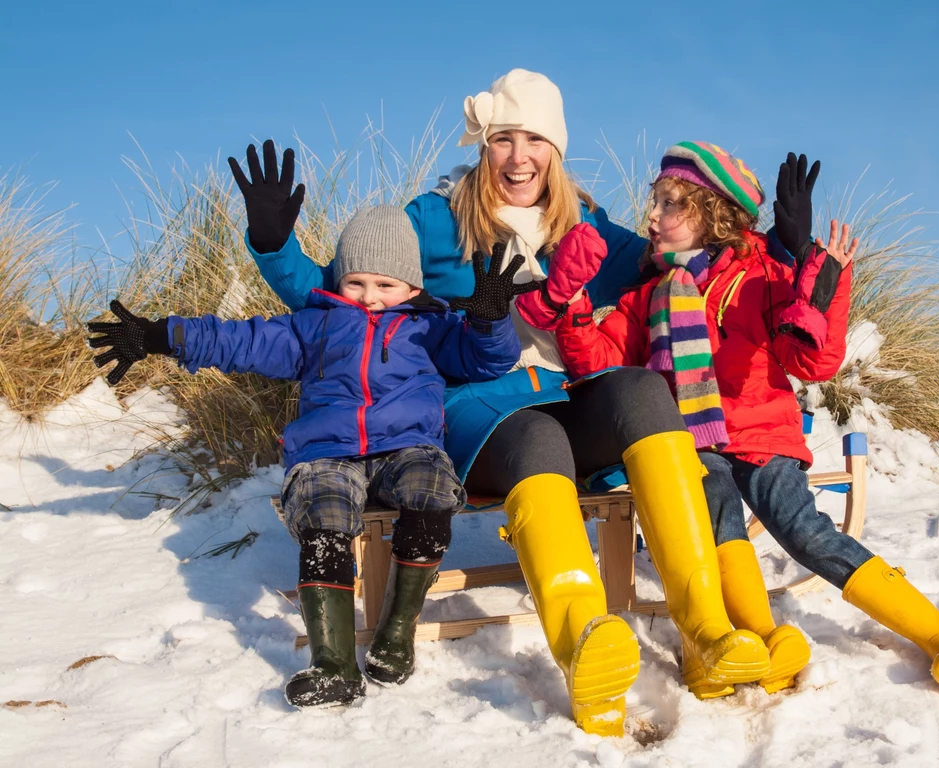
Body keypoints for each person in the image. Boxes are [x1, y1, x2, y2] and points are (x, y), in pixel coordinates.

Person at [229, 70, 805, 734]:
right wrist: (274, 245)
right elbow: (338, 297)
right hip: (472, 410)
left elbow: (695, 244)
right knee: (539, 437)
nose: (518, 156)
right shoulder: (433, 220)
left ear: (554, 150)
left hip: (565, 392)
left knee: (641, 392)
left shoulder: (587, 224)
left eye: (534, 139)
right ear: (484, 146)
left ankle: (705, 632)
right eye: (504, 138)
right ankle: (583, 643)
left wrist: (785, 246)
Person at [547, 141, 939, 693]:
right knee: (719, 524)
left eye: (671, 204)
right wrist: (568, 301)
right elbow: (598, 361)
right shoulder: (649, 293)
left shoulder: (760, 273)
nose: (654, 216)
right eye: (655, 201)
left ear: (712, 212)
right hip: (693, 441)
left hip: (761, 432)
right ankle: (762, 637)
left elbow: (812, 360)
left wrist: (823, 291)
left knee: (805, 532)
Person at [86, 205, 525, 708]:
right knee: (324, 510)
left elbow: (487, 358)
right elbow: (240, 340)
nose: (369, 297)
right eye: (356, 282)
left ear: (412, 286)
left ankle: (397, 633)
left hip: (408, 447)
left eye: (385, 285)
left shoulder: (434, 328)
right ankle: (333, 663)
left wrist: (490, 319)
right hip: (327, 452)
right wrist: (158, 335)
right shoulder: (314, 326)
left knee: (431, 489)